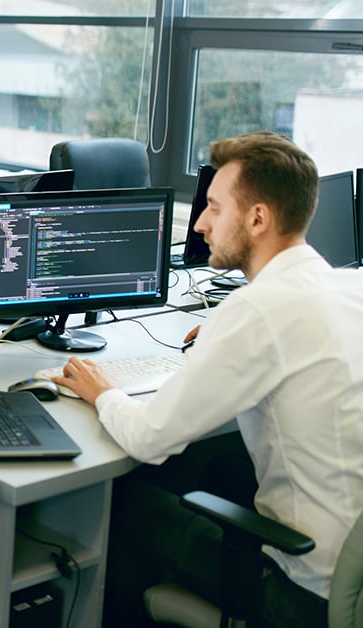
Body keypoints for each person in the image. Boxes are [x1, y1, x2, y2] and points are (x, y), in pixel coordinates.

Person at [52, 131, 363, 627]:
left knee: (127, 504)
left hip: (303, 595)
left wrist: (102, 390)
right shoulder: (350, 288)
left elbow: (148, 439)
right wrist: (227, 328)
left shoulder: (258, 311)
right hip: (354, 580)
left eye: (215, 207)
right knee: (217, 467)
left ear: (258, 218)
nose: (199, 222)